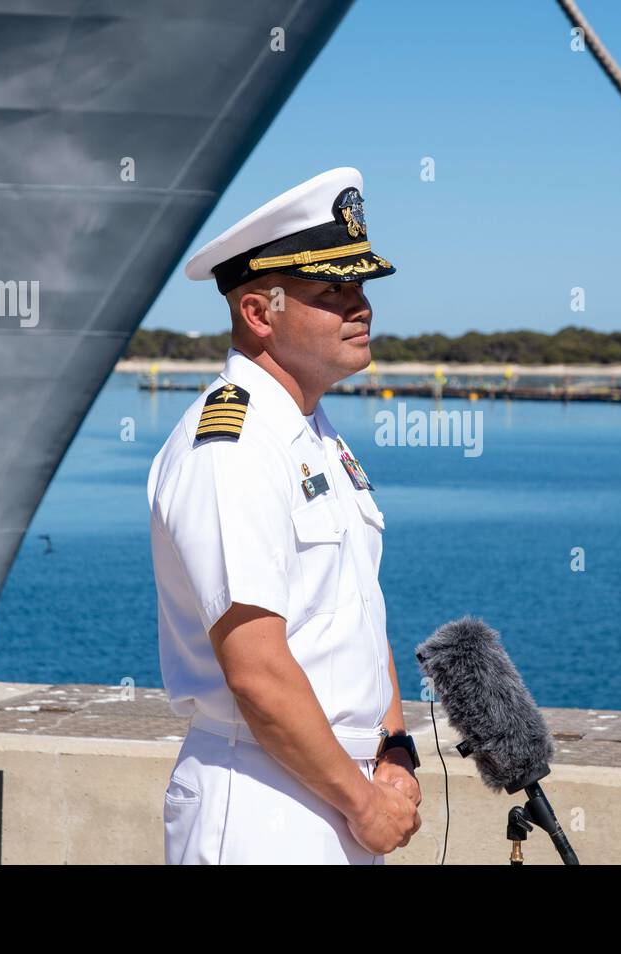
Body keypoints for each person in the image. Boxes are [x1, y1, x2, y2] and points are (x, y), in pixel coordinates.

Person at [148, 168, 422, 864]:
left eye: (359, 287)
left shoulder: (315, 435)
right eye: (331, 290)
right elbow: (257, 670)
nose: (359, 306)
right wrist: (365, 806)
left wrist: (393, 748)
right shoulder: (232, 447)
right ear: (258, 314)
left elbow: (357, 612)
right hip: (262, 803)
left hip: (338, 793)